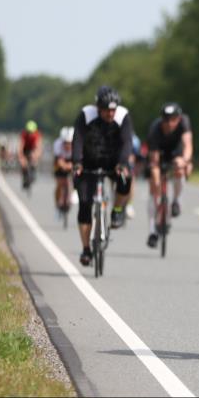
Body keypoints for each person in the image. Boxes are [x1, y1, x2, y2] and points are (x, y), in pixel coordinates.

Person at [71, 86, 134, 266]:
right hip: (89, 162)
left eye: (113, 110)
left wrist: (122, 163)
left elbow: (127, 142)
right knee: (84, 204)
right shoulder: (86, 115)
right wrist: (77, 162)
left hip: (114, 161)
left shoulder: (123, 117)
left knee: (126, 179)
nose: (110, 114)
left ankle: (117, 210)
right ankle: (86, 249)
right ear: (98, 108)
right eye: (107, 110)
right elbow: (78, 139)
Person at [146, 102, 193, 248]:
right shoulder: (155, 130)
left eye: (173, 119)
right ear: (162, 120)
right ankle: (152, 230)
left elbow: (188, 144)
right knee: (154, 189)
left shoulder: (184, 122)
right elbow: (154, 162)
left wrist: (184, 160)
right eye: (166, 120)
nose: (170, 123)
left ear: (179, 118)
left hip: (177, 153)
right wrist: (156, 181)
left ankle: (177, 200)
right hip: (159, 154)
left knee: (181, 169)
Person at [52, 126, 74, 214]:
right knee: (59, 183)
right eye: (66, 143)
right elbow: (59, 160)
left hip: (72, 161)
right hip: (60, 162)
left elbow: (78, 161)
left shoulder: (76, 145)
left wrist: (71, 166)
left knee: (72, 181)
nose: (68, 145)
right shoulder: (57, 144)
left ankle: (70, 197)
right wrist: (64, 166)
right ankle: (57, 203)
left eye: (70, 143)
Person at [18, 120, 42, 188]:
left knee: (34, 158)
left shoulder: (37, 135)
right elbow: (20, 148)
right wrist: (21, 158)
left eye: (31, 132)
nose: (30, 134)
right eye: (28, 132)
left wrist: (36, 156)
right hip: (25, 149)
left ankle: (33, 170)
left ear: (35, 131)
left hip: (33, 149)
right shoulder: (23, 135)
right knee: (23, 164)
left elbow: (39, 148)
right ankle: (24, 177)